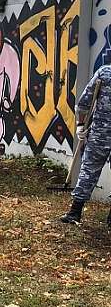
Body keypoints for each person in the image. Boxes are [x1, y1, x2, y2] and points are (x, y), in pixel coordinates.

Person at [61, 66, 111, 225]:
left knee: (89, 170)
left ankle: (75, 212)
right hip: (100, 134)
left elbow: (84, 103)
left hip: (100, 134)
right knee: (89, 169)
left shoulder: (104, 72)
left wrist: (80, 125)